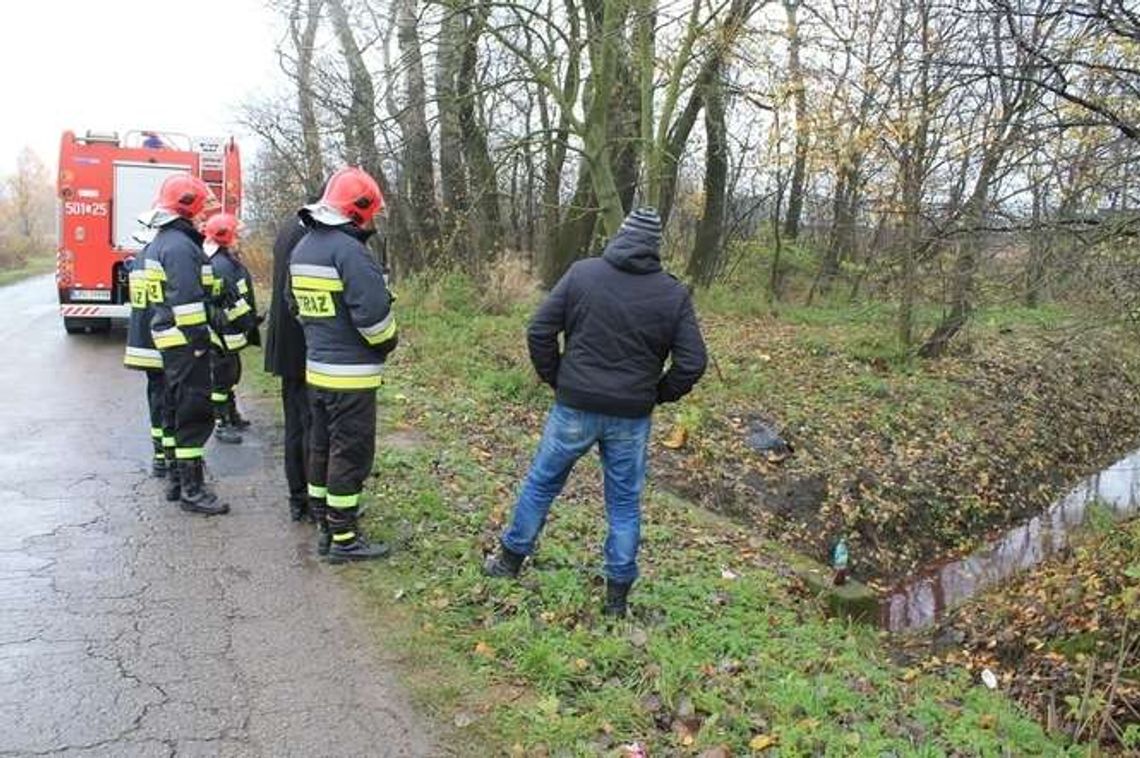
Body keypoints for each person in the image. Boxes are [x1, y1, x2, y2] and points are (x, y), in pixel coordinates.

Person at [482, 208, 708, 617]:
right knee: (624, 504)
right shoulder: (672, 294)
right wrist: (655, 394)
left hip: (575, 406)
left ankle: (508, 564)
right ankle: (616, 601)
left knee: (541, 484)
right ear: (655, 247)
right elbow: (692, 363)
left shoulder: (583, 274)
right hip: (630, 417)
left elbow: (539, 330)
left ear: (620, 237)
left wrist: (558, 379)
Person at [288, 167, 398, 562]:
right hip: (351, 377)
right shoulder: (351, 253)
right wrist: (388, 341)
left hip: (317, 370)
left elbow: (294, 306)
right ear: (358, 210)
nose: (372, 222)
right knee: (350, 454)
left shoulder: (303, 248)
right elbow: (375, 323)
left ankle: (324, 524)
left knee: (321, 447)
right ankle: (345, 538)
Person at [146, 174, 229, 516]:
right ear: (187, 206)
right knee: (193, 414)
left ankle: (178, 482)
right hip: (185, 344)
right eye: (200, 208)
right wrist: (199, 343)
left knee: (175, 409)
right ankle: (192, 491)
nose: (203, 214)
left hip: (171, 342)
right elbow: (187, 304)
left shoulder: (163, 242)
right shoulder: (180, 247)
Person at [264, 188, 320, 522]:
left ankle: (299, 498)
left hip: (288, 342)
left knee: (296, 424)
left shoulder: (290, 227)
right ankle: (308, 499)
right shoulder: (309, 232)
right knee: (309, 425)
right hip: (302, 343)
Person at [122, 222, 176, 490]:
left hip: (142, 340)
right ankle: (170, 455)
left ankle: (159, 457)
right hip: (162, 341)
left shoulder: (139, 261)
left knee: (155, 396)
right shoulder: (162, 257)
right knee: (170, 399)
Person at [203, 213, 256, 445]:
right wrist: (247, 322)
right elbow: (229, 302)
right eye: (237, 235)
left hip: (228, 331)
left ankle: (231, 414)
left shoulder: (226, 261)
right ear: (225, 237)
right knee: (221, 379)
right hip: (222, 332)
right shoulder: (221, 265)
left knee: (231, 374)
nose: (240, 239)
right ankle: (221, 422)